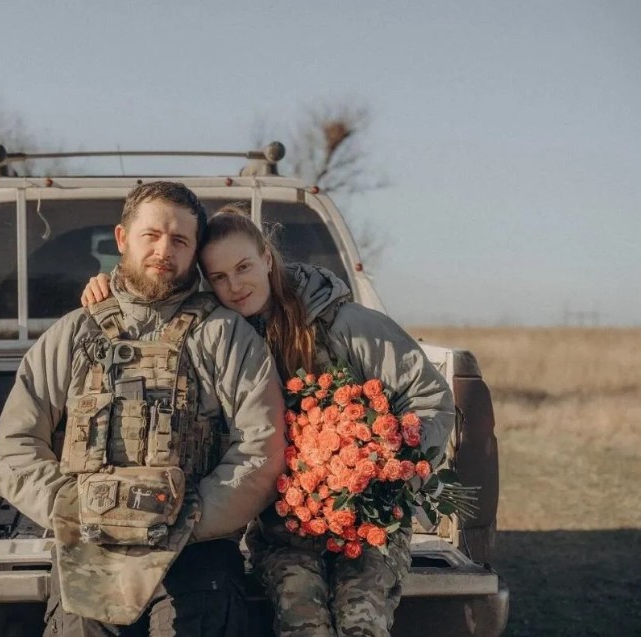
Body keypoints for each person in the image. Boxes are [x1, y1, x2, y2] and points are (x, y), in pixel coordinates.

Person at [81, 202, 455, 637]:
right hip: (285, 527)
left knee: (361, 619)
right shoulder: (216, 337)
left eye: (243, 267)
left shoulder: (343, 323)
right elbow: (152, 301)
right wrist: (110, 287)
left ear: (267, 258)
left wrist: (385, 469)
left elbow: (430, 399)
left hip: (369, 522)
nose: (236, 285)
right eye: (219, 277)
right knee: (303, 622)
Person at [0, 184, 286, 637]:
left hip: (196, 549)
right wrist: (75, 510)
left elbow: (260, 450)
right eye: (152, 235)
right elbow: (14, 446)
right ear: (123, 238)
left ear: (195, 253)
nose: (164, 251)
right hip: (89, 546)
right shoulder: (73, 334)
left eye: (180, 240)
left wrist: (184, 520)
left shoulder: (227, 338)